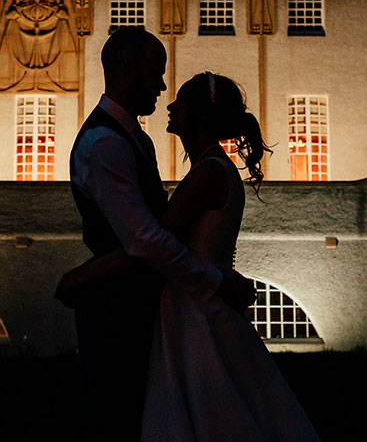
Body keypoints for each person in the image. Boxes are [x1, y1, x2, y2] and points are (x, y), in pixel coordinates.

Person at [60, 70, 321, 442]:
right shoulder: (210, 168)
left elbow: (150, 242)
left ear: (197, 114)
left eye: (180, 99)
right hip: (198, 301)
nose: (170, 104)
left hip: (195, 310)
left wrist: (83, 275)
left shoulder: (209, 173)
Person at [58, 28, 256, 441]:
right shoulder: (106, 144)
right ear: (127, 72)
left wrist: (83, 275)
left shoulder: (136, 142)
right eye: (155, 73)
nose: (162, 87)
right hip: (117, 313)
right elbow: (144, 240)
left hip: (147, 308)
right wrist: (217, 282)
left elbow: (150, 237)